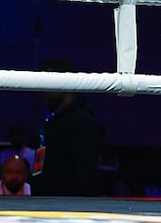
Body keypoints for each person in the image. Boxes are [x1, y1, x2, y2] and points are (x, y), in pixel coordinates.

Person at [30, 57, 106, 196]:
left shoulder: (82, 121)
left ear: (65, 84)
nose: (42, 91)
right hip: (46, 205)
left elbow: (86, 174)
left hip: (65, 210)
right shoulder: (54, 121)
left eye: (47, 84)